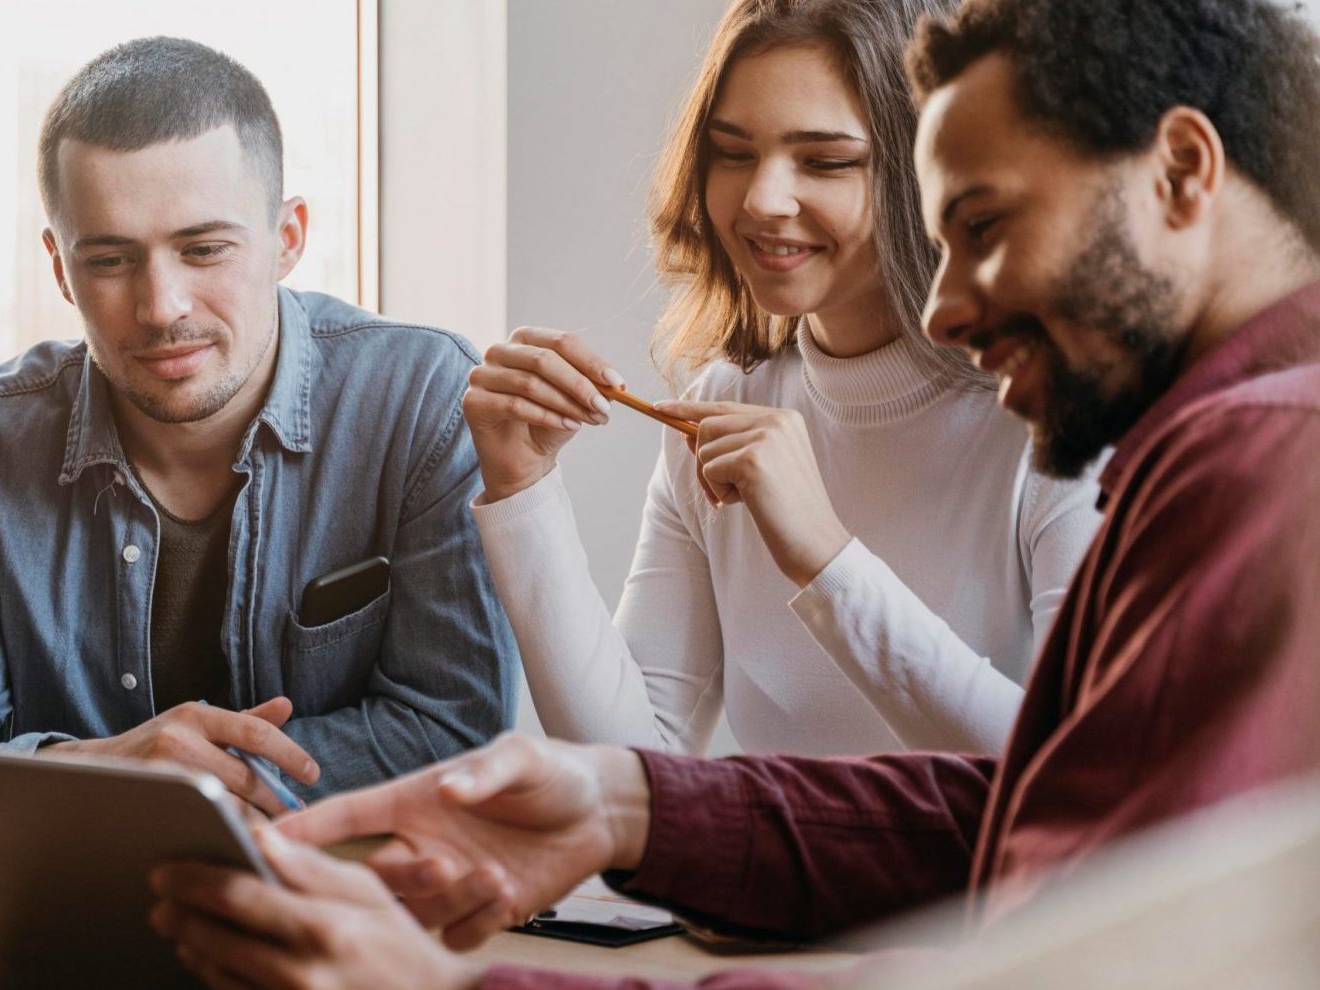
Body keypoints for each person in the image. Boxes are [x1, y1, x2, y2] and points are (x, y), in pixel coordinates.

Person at [148, 0, 1320, 986]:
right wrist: (629, 805)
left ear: (1181, 171)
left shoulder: (1244, 457)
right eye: (734, 149)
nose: (951, 304)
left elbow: (1074, 919)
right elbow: (1032, 817)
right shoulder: (1197, 432)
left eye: (983, 223)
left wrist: (453, 986)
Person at [0, 37, 518, 810]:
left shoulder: (422, 399)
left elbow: (456, 734)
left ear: (288, 238)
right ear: (59, 266)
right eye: (111, 261)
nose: (162, 307)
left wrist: (176, 778)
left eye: (205, 248)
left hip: (352, 907)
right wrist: (117, 767)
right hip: (53, 914)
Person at [463, 0, 1101, 756]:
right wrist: (524, 491)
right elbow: (633, 766)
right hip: (772, 878)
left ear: (932, 174)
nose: (761, 201)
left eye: (826, 160)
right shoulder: (721, 408)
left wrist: (826, 557)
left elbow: (1072, 770)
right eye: (732, 153)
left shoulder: (1059, 420)